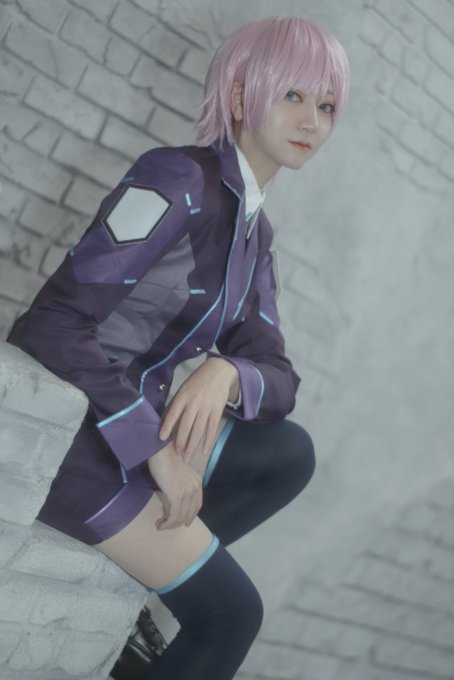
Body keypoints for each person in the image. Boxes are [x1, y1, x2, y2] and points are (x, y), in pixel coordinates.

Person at [8, 15, 349, 680]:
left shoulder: (255, 234)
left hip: (142, 420)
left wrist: (226, 373)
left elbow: (279, 377)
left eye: (328, 106)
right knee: (231, 616)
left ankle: (139, 579)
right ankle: (148, 582)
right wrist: (153, 450)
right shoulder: (176, 179)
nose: (312, 121)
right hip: (83, 439)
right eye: (293, 95)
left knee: (288, 453)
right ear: (240, 96)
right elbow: (53, 324)